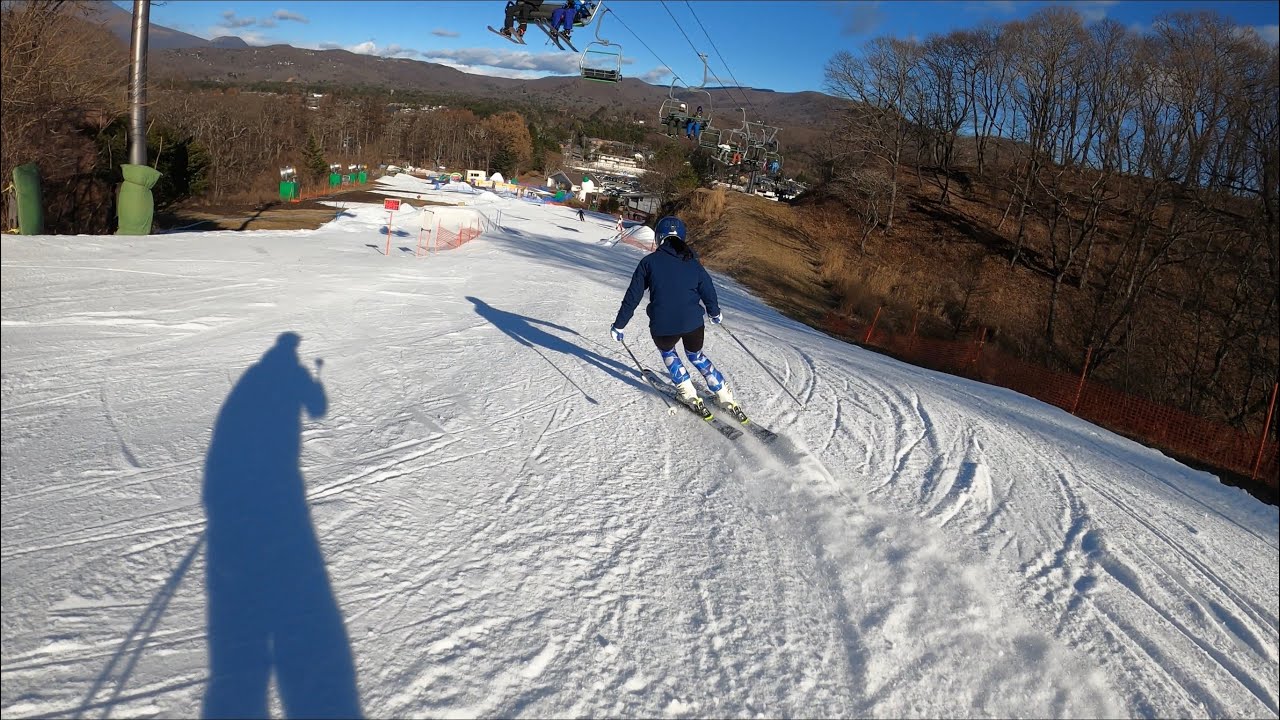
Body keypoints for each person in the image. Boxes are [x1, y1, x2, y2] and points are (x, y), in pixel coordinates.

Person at [609, 216, 737, 413]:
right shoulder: (692, 262)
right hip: (693, 323)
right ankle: (723, 394)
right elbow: (708, 288)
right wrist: (714, 312)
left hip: (663, 325)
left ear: (659, 237)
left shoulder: (648, 262)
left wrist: (619, 325)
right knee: (696, 355)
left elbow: (632, 297)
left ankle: (688, 393)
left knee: (668, 352)